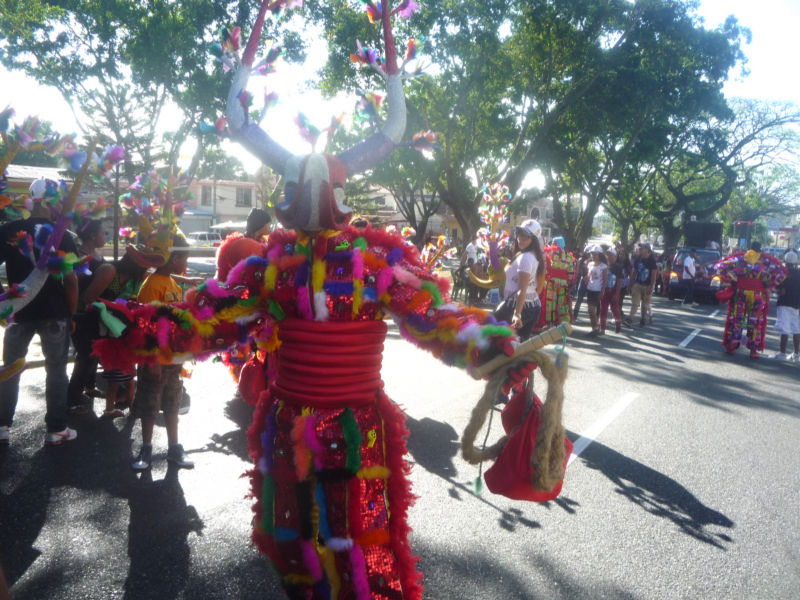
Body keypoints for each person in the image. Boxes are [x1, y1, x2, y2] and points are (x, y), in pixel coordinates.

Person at [0, 179, 79, 446]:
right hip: (54, 313)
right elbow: (71, 280)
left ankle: (2, 427)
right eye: (57, 199)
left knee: (10, 369)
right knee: (56, 370)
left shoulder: (9, 230)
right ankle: (56, 429)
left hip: (17, 311)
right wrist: (72, 314)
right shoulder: (63, 235)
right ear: (48, 200)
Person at [130, 234, 196, 471]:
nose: (185, 264)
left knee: (172, 403)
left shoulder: (174, 285)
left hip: (173, 359)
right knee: (149, 404)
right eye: (184, 259)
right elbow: (145, 324)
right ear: (174, 258)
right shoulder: (151, 286)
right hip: (154, 359)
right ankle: (146, 447)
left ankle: (174, 448)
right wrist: (152, 359)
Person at [67, 219, 115, 415]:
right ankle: (71, 400)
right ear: (93, 236)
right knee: (85, 356)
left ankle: (89, 385)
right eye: (104, 233)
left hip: (94, 312)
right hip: (80, 312)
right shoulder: (77, 256)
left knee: (94, 351)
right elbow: (73, 284)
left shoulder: (96, 254)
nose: (106, 236)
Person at [715, 241, 787, 359]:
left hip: (740, 293)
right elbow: (781, 274)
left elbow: (720, 267)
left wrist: (733, 279)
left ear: (749, 248)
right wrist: (768, 284)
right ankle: (753, 350)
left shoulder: (739, 259)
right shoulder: (766, 261)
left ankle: (731, 346)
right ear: (760, 250)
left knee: (736, 319)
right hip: (758, 295)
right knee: (756, 322)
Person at [493, 219, 545, 341]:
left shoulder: (526, 258)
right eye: (519, 233)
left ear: (534, 239)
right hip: (533, 306)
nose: (520, 238)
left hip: (517, 307)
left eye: (525, 236)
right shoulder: (532, 256)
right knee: (518, 348)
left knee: (497, 343)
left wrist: (517, 314)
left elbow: (522, 290)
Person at [215, 207, 271, 282]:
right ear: (261, 225)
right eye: (268, 224)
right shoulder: (242, 244)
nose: (270, 226)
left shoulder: (263, 240)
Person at [769, 251, 800, 361]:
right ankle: (796, 354)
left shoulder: (784, 274)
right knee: (796, 329)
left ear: (785, 262)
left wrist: (773, 290)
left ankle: (782, 353)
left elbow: (781, 291)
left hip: (784, 303)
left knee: (784, 328)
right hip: (797, 305)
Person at [543, 237, 575, 327]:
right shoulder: (569, 256)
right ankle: (564, 323)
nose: (552, 244)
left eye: (553, 242)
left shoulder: (551, 253)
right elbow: (570, 272)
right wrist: (567, 280)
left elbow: (545, 265)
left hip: (552, 281)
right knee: (562, 303)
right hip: (563, 283)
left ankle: (550, 323)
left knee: (550, 302)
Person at [624, 242, 658, 328]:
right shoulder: (638, 259)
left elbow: (654, 274)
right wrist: (630, 284)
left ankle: (643, 319)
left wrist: (651, 286)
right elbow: (634, 272)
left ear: (647, 250)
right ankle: (630, 319)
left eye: (642, 248)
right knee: (635, 303)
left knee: (645, 305)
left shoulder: (652, 260)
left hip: (647, 286)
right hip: (638, 284)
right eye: (640, 248)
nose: (640, 249)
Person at [584, 246, 608, 337]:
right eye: (592, 254)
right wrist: (586, 278)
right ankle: (595, 328)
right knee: (590, 310)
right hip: (590, 289)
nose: (593, 255)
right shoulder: (589, 264)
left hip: (598, 290)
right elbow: (589, 275)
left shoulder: (603, 266)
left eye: (595, 254)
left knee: (593, 310)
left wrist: (603, 291)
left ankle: (596, 328)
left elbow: (605, 280)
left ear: (599, 255)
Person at [600, 247, 624, 334]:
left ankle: (618, 324)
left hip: (613, 291)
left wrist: (617, 294)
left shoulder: (618, 267)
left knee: (615, 309)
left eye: (611, 255)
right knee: (603, 310)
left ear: (615, 256)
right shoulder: (604, 266)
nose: (609, 257)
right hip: (605, 291)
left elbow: (620, 281)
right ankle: (602, 328)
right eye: (607, 255)